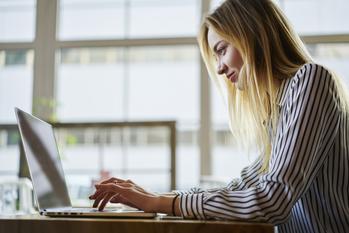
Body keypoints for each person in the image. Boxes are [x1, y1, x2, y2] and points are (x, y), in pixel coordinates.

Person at [89, 0, 349, 232]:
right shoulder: (280, 110)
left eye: (222, 49)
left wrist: (160, 202)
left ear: (253, 35)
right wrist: (157, 197)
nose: (220, 67)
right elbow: (242, 186)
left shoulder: (310, 80)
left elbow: (272, 199)